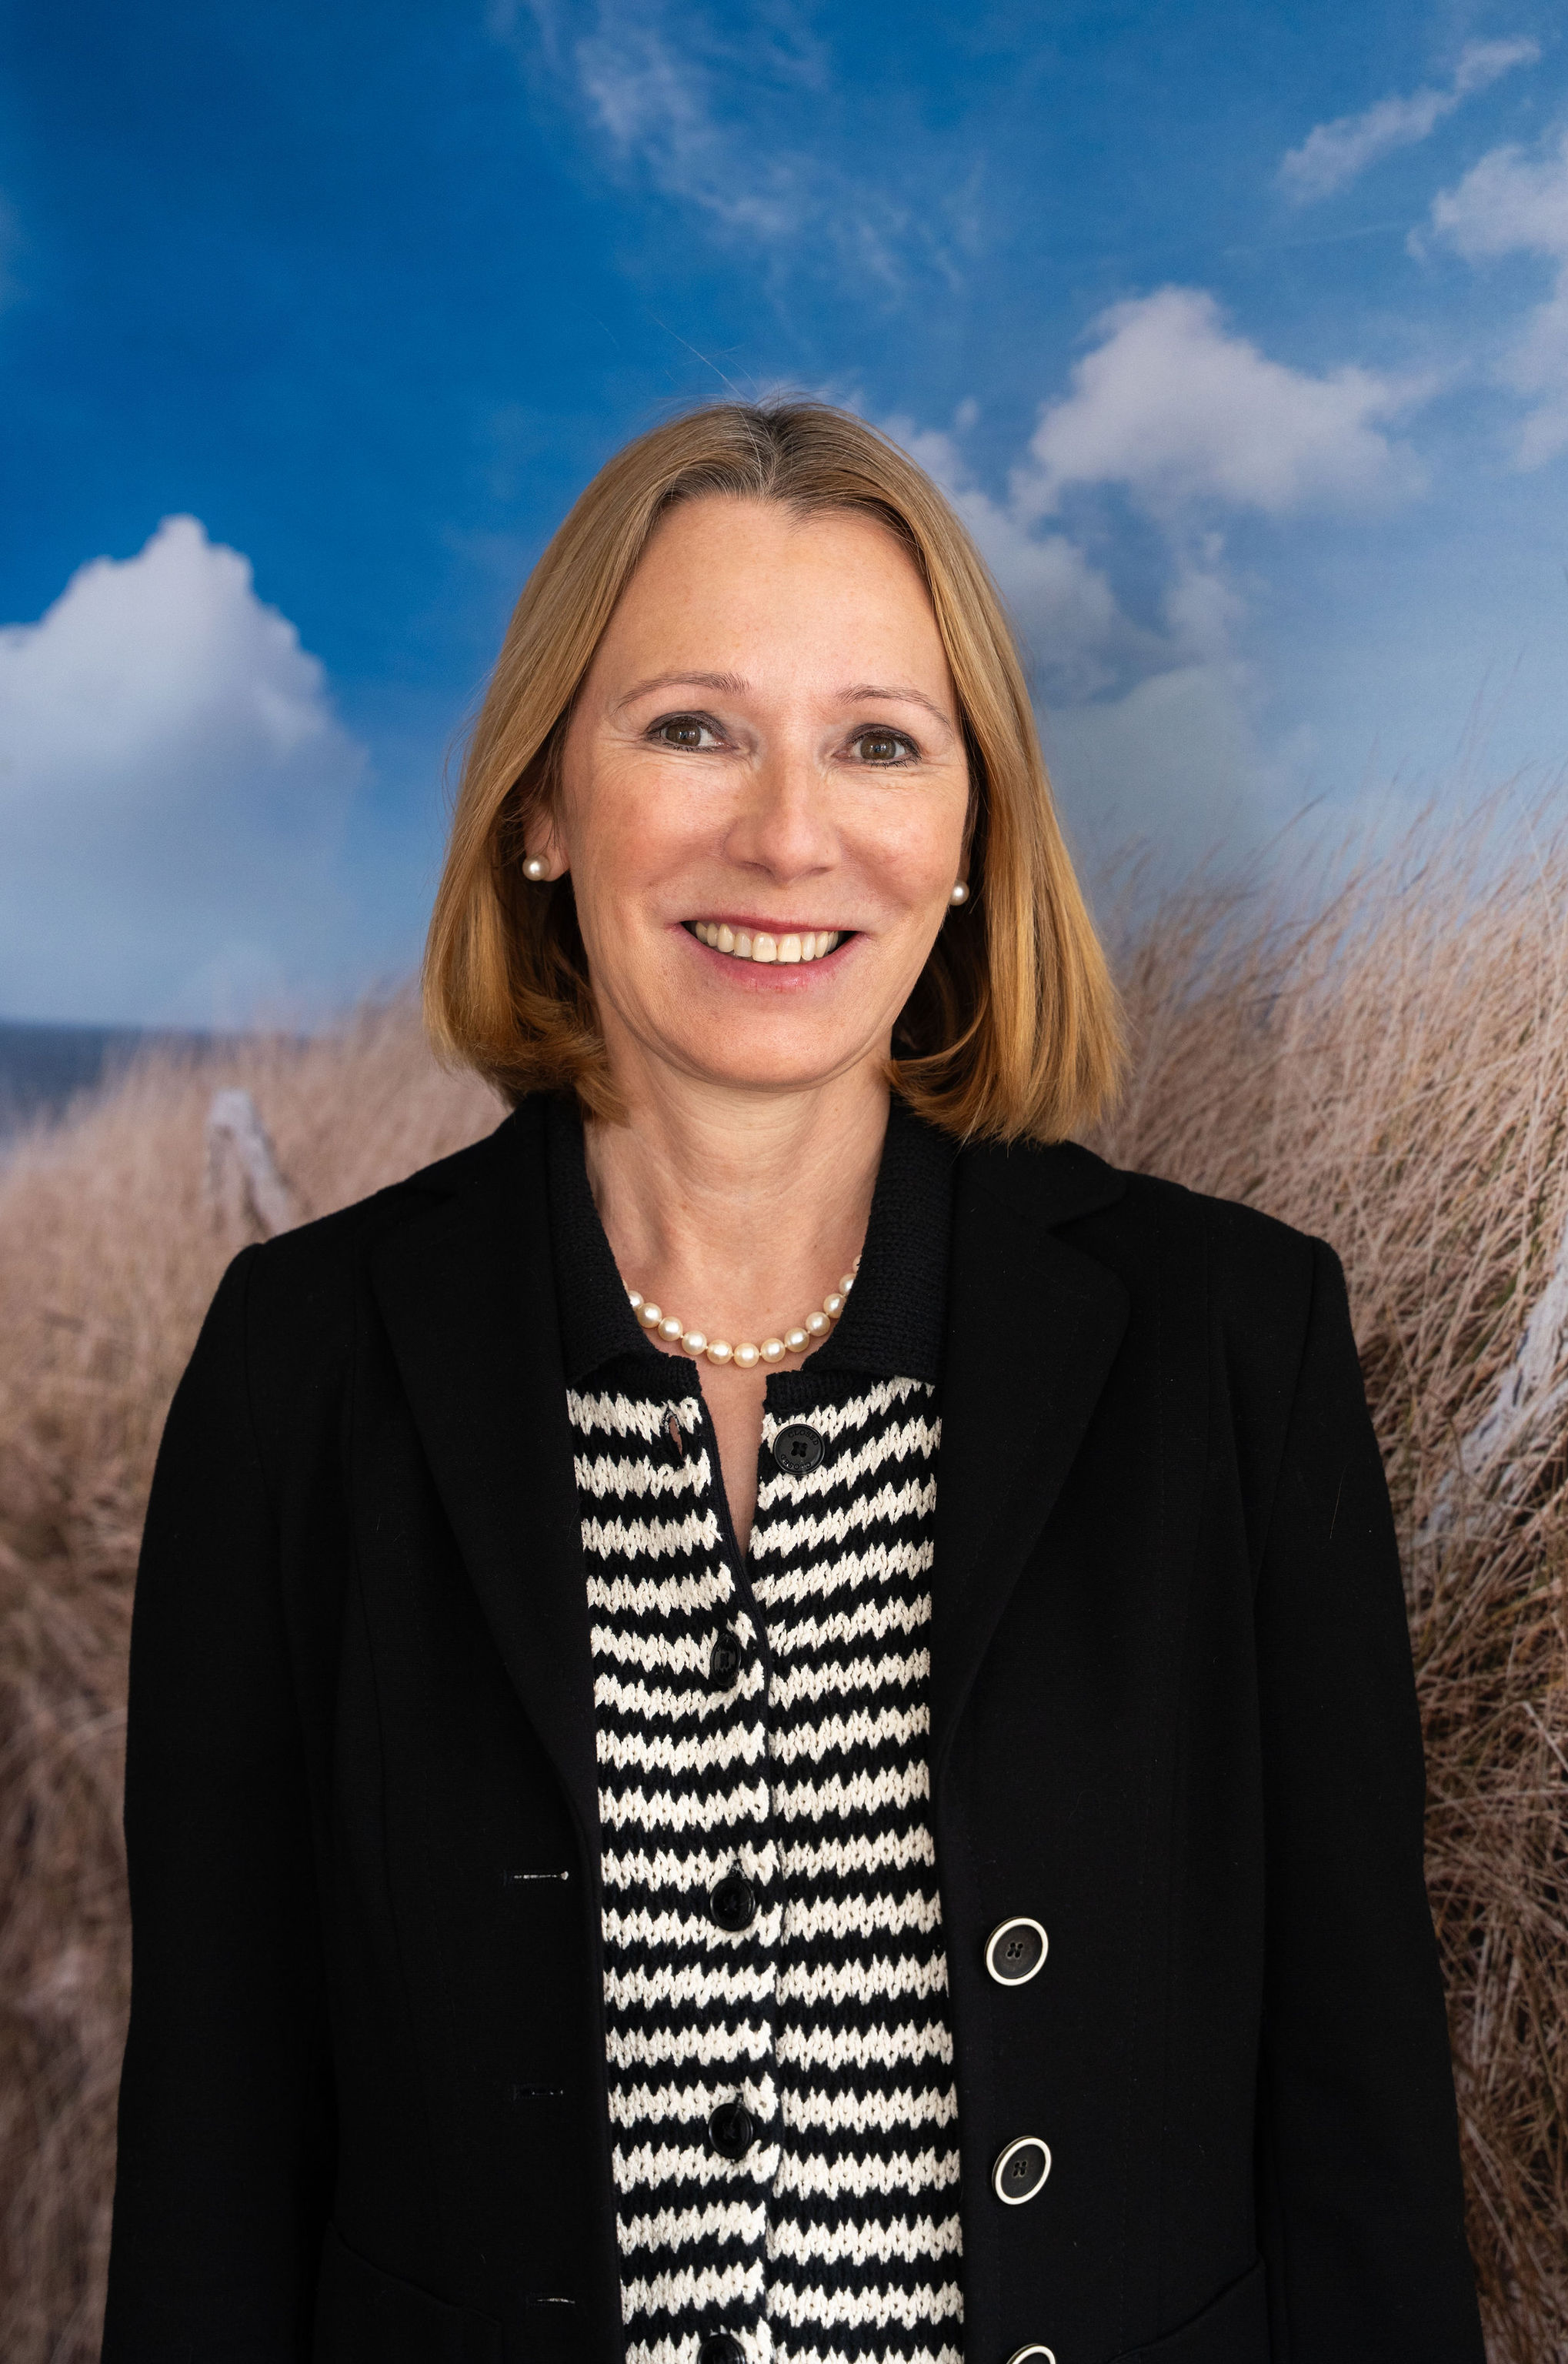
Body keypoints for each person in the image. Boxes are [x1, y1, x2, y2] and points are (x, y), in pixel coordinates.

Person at [102, 401, 1484, 2364]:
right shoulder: (302, 1368)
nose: (788, 832)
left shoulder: (1230, 1349)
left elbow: (1358, 2146)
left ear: (968, 832)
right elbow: (216, 2165)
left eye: (877, 741)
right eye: (691, 726)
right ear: (540, 802)